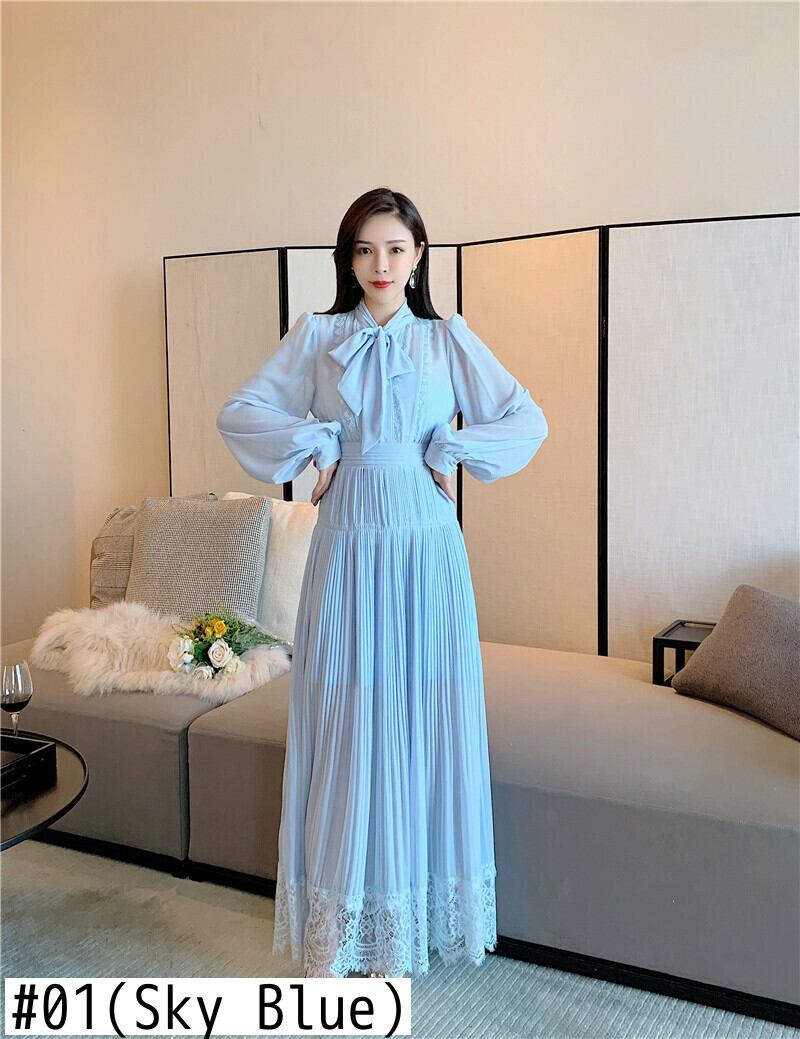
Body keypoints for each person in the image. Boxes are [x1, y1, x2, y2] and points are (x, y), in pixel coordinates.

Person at [216, 187, 549, 979]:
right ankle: (343, 927)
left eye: (395, 248)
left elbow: (525, 419)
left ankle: (405, 921)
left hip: (425, 548)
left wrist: (452, 448)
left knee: (421, 717)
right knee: (345, 717)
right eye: (364, 249)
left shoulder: (445, 339)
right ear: (348, 258)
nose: (380, 264)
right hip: (347, 545)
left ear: (419, 255)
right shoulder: (318, 335)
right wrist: (317, 441)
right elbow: (240, 411)